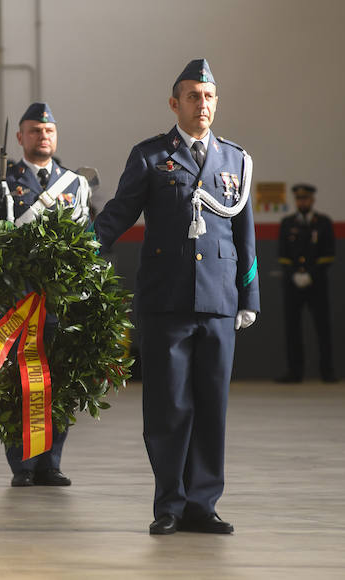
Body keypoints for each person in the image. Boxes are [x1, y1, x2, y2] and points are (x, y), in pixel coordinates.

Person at [94, 59, 260, 535]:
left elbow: (245, 236)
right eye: (192, 96)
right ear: (175, 103)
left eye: (208, 96)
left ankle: (202, 505)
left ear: (216, 103)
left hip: (218, 302)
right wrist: (77, 251)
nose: (201, 104)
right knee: (168, 408)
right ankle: (169, 503)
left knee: (211, 407)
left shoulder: (236, 160)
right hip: (166, 301)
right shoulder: (150, 155)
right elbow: (117, 215)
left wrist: (248, 296)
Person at [0, 102, 92, 488]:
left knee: (59, 383)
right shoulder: (3, 183)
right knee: (20, 384)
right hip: (17, 301)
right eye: (35, 131)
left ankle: (51, 462)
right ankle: (22, 464)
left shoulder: (74, 184)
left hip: (59, 301)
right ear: (20, 138)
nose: (43, 137)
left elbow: (91, 240)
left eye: (49, 131)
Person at [276, 183, 336, 383]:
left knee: (323, 328)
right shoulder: (287, 223)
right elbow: (283, 255)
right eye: (299, 199)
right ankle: (294, 372)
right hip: (292, 285)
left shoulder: (324, 223)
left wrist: (311, 274)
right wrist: (294, 274)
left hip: (317, 284)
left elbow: (328, 254)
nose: (302, 202)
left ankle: (327, 372)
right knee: (292, 329)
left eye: (306, 198)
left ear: (312, 200)